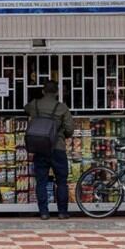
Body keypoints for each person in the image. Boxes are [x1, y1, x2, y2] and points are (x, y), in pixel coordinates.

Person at [24, 81, 74, 220]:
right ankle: (62, 212)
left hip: (40, 148)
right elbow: (70, 129)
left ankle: (44, 212)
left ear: (43, 91)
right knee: (61, 181)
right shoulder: (62, 108)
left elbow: (25, 108)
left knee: (41, 181)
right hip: (58, 147)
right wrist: (62, 135)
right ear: (57, 93)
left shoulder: (35, 104)